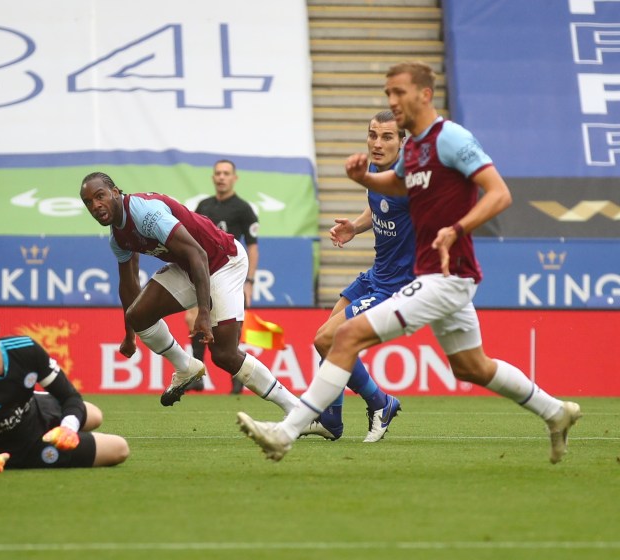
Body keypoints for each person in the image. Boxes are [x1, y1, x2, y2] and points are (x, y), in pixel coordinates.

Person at [237, 61, 581, 464]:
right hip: (436, 277)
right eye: (388, 93)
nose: (392, 100)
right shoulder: (414, 147)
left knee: (342, 337)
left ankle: (286, 432)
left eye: (399, 92)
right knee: (472, 367)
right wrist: (363, 179)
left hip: (444, 276)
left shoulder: (450, 137)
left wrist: (458, 228)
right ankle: (557, 412)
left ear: (424, 94)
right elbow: (397, 186)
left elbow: (499, 194)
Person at [79, 171, 300, 416]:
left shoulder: (145, 213)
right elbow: (129, 283)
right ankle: (185, 367)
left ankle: (298, 410)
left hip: (223, 262)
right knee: (138, 315)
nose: (95, 205)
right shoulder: (118, 238)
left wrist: (203, 312)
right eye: (88, 202)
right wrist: (130, 332)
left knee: (224, 355)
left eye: (100, 196)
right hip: (189, 267)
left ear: (115, 192)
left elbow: (199, 254)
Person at [297, 110, 412, 443]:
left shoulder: (410, 183)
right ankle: (331, 420)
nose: (377, 143)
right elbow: (376, 207)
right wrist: (355, 227)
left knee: (325, 339)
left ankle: (381, 401)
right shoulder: (374, 171)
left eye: (387, 137)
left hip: (396, 286)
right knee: (327, 342)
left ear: (403, 142)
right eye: (372, 135)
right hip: (375, 274)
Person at [0, 295, 130, 474]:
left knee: (94, 414)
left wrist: (68, 428)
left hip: (37, 409)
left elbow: (70, 396)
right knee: (120, 448)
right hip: (24, 451)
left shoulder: (25, 349)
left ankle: (61, 426)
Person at [184, 159, 259, 394]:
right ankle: (197, 375)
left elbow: (253, 247)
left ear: (234, 178)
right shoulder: (204, 206)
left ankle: (238, 377)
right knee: (192, 317)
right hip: (205, 274)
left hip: (231, 275)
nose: (222, 177)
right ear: (213, 177)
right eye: (218, 173)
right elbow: (190, 240)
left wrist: (249, 281)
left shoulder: (244, 209)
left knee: (230, 328)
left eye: (226, 173)